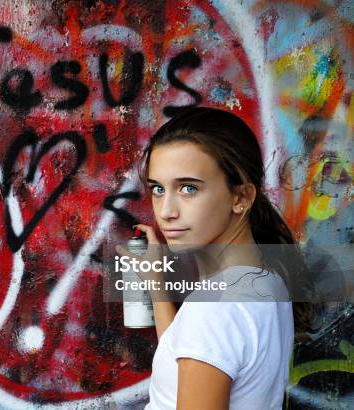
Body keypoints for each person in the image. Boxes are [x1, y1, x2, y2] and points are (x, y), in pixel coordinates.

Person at [115, 107, 319, 409]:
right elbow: (191, 350)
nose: (166, 211)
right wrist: (157, 284)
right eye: (158, 189)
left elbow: (209, 332)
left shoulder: (213, 309)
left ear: (241, 198)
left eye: (188, 188)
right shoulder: (265, 278)